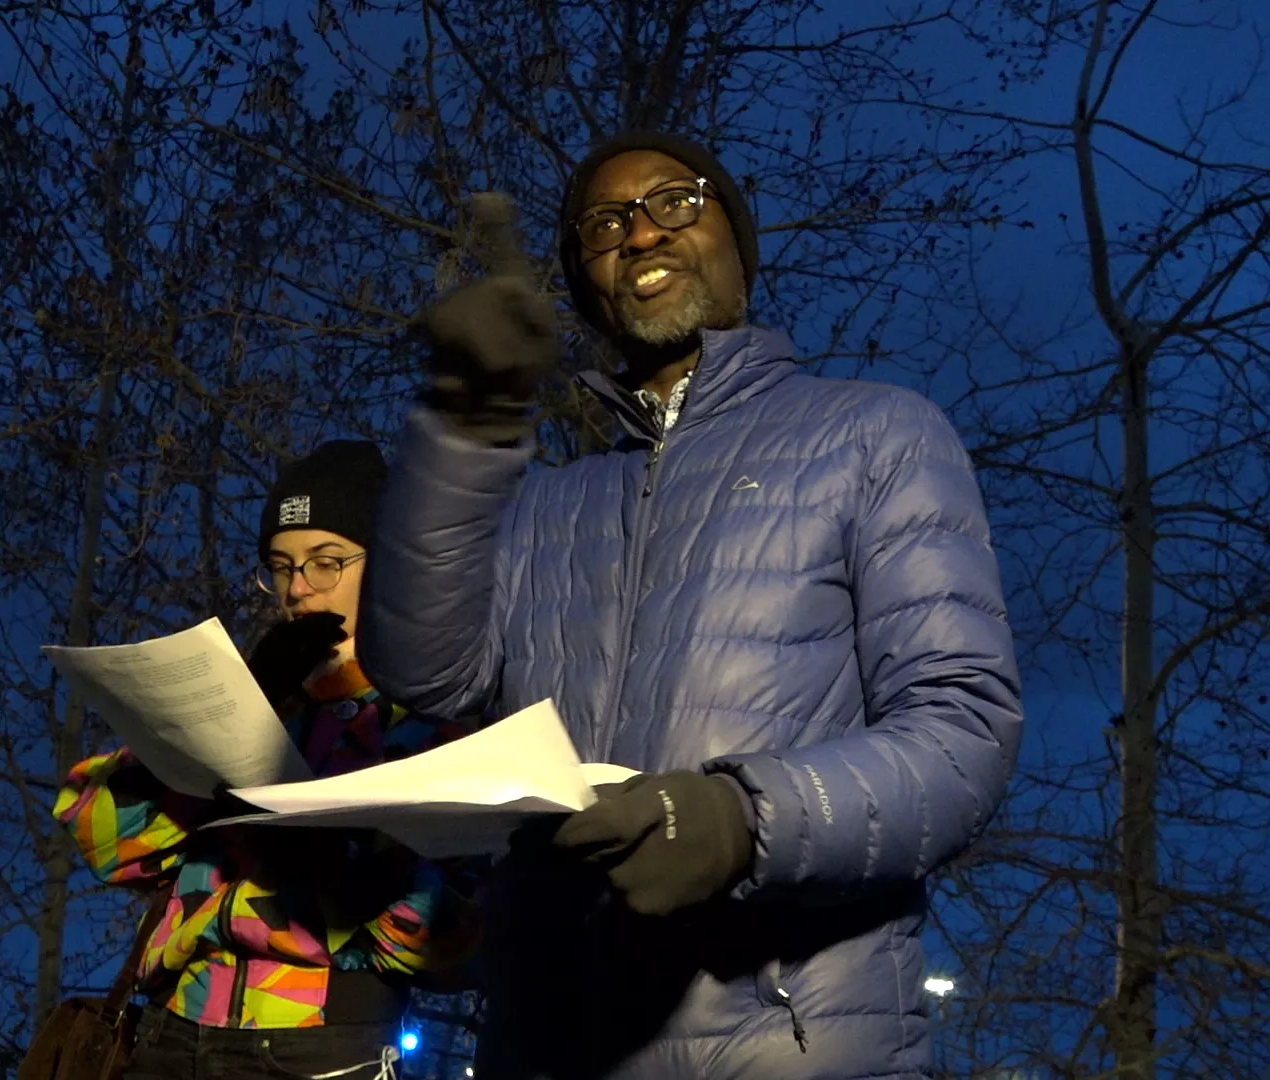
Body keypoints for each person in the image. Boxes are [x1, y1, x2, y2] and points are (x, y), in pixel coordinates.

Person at [357, 131, 1024, 1080]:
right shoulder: (545, 500)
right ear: (589, 283)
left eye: (675, 201)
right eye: (604, 223)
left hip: (792, 1043)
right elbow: (423, 671)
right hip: (554, 1041)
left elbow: (963, 734)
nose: (638, 233)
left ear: (736, 243)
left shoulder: (876, 434)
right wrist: (465, 429)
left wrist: (743, 819)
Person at [54, 440, 474, 1080]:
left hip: (318, 1042)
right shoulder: (264, 692)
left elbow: (454, 936)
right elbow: (107, 842)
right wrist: (220, 731)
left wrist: (343, 860)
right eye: (280, 567)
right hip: (173, 1025)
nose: (297, 588)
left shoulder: (431, 713)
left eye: (326, 563)